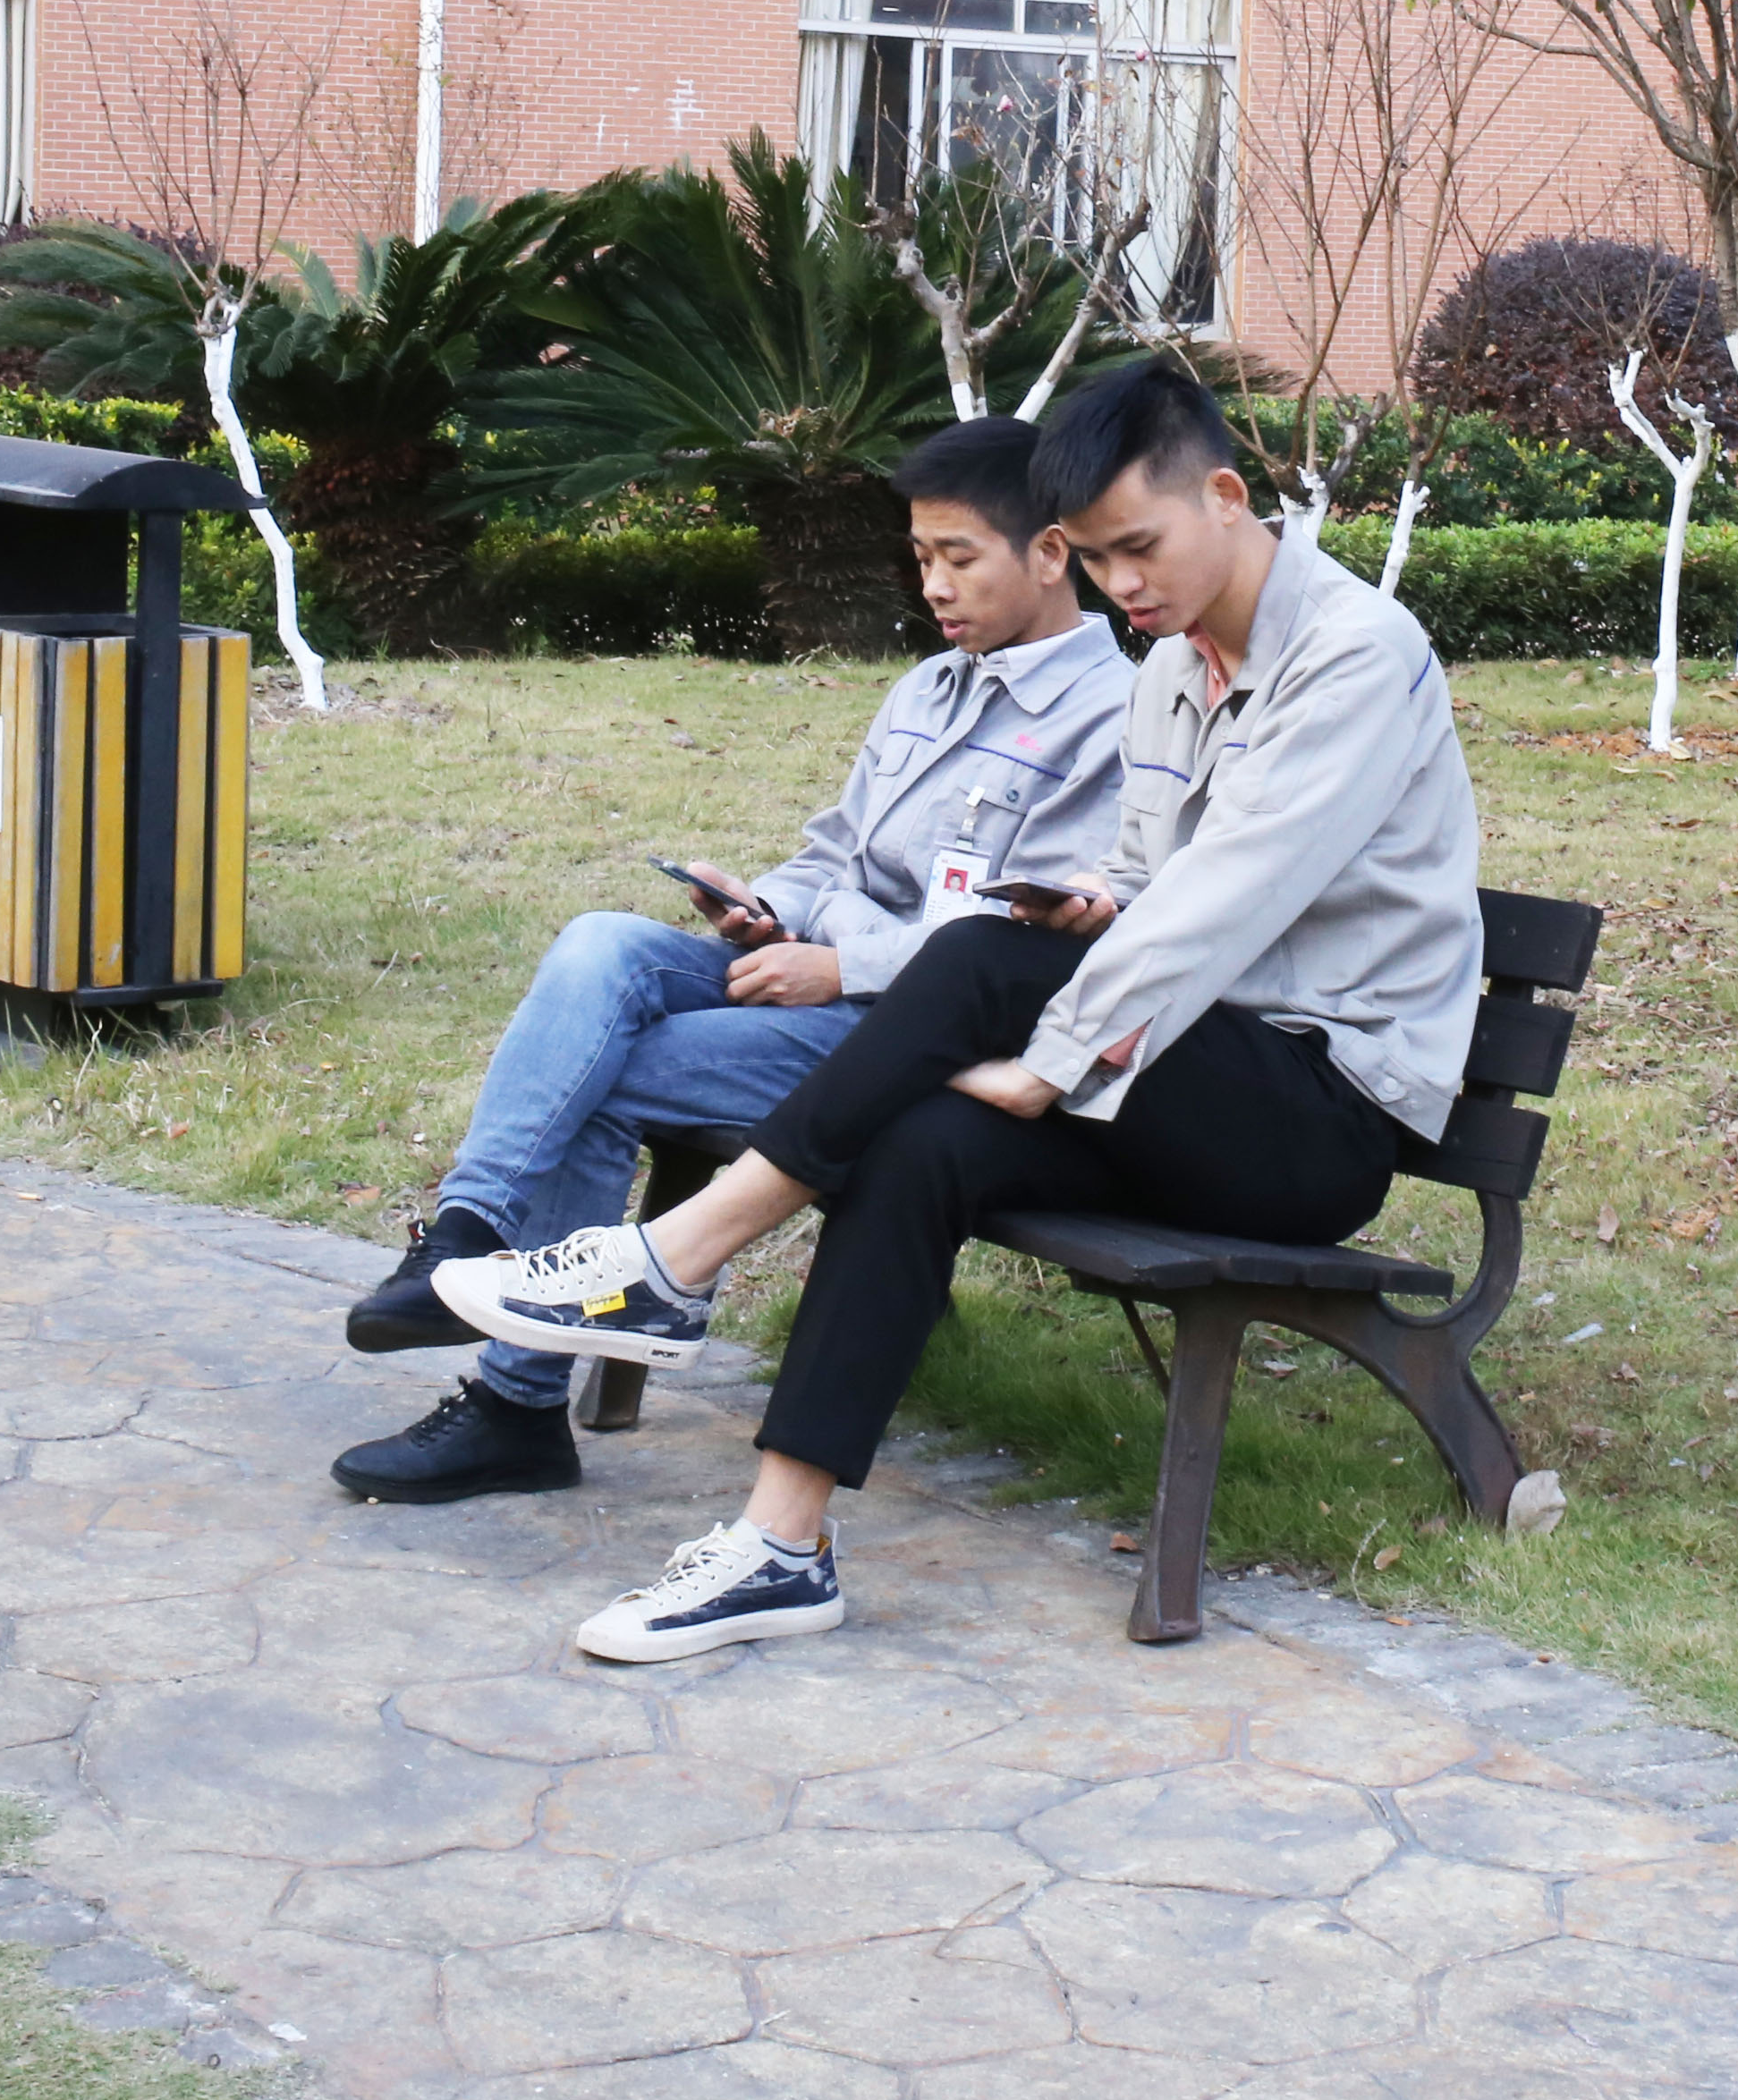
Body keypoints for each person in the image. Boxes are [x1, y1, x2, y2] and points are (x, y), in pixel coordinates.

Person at [434, 361, 1483, 1662]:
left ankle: (676, 1261)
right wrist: (1089, 904)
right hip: (1180, 1076)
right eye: (1095, 560)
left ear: (1225, 496)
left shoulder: (1357, 655)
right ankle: (780, 1546)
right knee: (920, 1139)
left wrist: (1049, 1062)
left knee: (984, 955)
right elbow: (1150, 880)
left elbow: (1228, 896)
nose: (1122, 584)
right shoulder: (1175, 665)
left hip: (1317, 1113)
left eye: (1140, 547)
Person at [322, 415, 1131, 1504]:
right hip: (812, 975)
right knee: (602, 942)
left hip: (909, 1035)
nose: (934, 586)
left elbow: (1022, 940)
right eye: (919, 557)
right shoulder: (929, 688)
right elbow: (836, 852)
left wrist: (842, 968)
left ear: (1049, 553)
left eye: (958, 558)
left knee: (601, 1072)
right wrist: (769, 908)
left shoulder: (1111, 719)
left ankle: (516, 1406)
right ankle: (464, 1238)